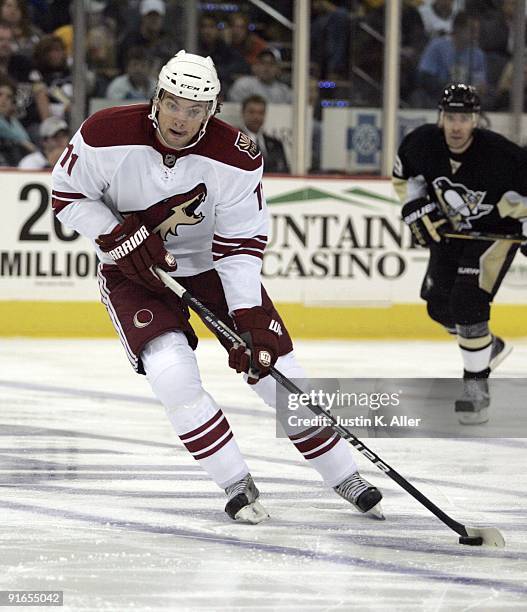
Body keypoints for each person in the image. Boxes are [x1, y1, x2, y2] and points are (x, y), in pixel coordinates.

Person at [51, 50, 383, 523]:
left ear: (212, 111)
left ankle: (343, 474)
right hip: (134, 273)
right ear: (156, 99)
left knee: (275, 365)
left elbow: (241, 244)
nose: (181, 119)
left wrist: (248, 315)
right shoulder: (105, 132)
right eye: (174, 104)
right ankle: (234, 481)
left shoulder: (235, 156)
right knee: (172, 375)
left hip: (212, 267)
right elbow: (66, 194)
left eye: (195, 109)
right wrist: (115, 233)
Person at [393, 83, 527, 425]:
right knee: (439, 306)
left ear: (476, 120)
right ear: (441, 117)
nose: (456, 126)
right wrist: (414, 204)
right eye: (450, 117)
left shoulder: (502, 154)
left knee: (468, 304)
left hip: (495, 234)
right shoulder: (421, 143)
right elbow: (405, 178)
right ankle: (486, 347)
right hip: (450, 235)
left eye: (464, 118)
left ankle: (476, 387)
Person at [415, 12, 487, 108]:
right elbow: (425, 77)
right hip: (438, 97)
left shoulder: (478, 54)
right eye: (472, 31)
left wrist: (480, 88)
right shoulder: (437, 46)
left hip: (466, 101)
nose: (476, 35)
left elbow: (480, 82)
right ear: (458, 29)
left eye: (477, 31)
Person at [240, 94, 289, 174]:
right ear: (242, 113)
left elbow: (285, 171)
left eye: (261, 113)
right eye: (252, 112)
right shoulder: (234, 141)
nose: (256, 117)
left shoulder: (276, 144)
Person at [228, 47, 292, 104]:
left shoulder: (284, 91)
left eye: (271, 64)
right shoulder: (243, 85)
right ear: (255, 66)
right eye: (262, 63)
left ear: (278, 69)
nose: (267, 68)